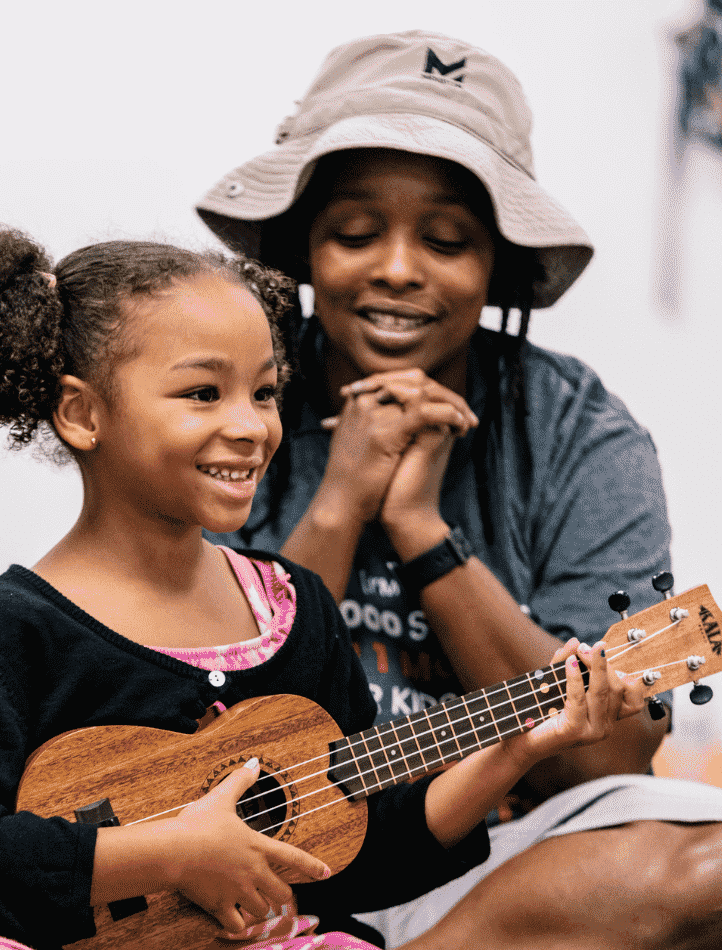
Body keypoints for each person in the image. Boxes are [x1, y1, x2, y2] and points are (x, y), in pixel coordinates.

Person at [0, 229, 638, 950]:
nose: (251, 426)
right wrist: (170, 853)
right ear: (83, 414)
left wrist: (515, 750)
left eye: (266, 392)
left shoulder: (296, 605)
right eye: (204, 393)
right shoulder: (11, 627)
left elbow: (360, 850)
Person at [195, 30, 722, 950]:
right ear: (304, 247)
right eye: (356, 232)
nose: (398, 267)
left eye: (447, 240)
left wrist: (423, 532)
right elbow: (188, 715)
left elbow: (607, 756)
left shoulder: (581, 433)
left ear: (501, 267)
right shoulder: (228, 400)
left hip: (498, 863)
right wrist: (341, 502)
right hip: (249, 853)